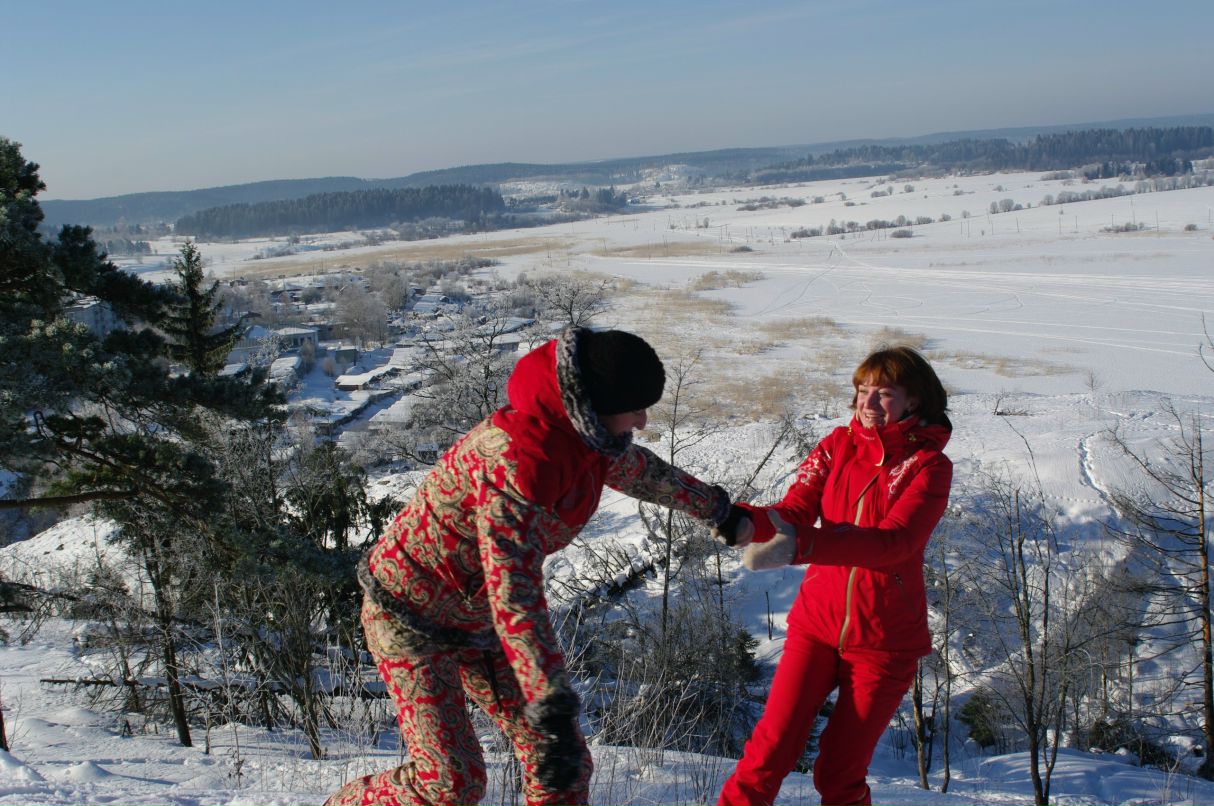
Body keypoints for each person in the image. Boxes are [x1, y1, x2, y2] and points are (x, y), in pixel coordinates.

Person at [325, 326, 743, 806]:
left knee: (564, 772)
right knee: (450, 783)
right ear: (596, 406)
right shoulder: (516, 461)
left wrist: (720, 511)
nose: (643, 421)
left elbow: (642, 472)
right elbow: (514, 593)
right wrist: (551, 706)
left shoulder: (586, 437)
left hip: (479, 619)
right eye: (635, 408)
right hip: (408, 616)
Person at [717, 346, 953, 806]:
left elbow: (895, 544)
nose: (867, 403)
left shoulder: (929, 468)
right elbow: (794, 510)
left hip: (885, 642)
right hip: (816, 626)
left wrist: (805, 546)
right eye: (862, 391)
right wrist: (744, 520)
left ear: (914, 401)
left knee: (838, 775)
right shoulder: (836, 445)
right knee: (766, 755)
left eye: (884, 393)